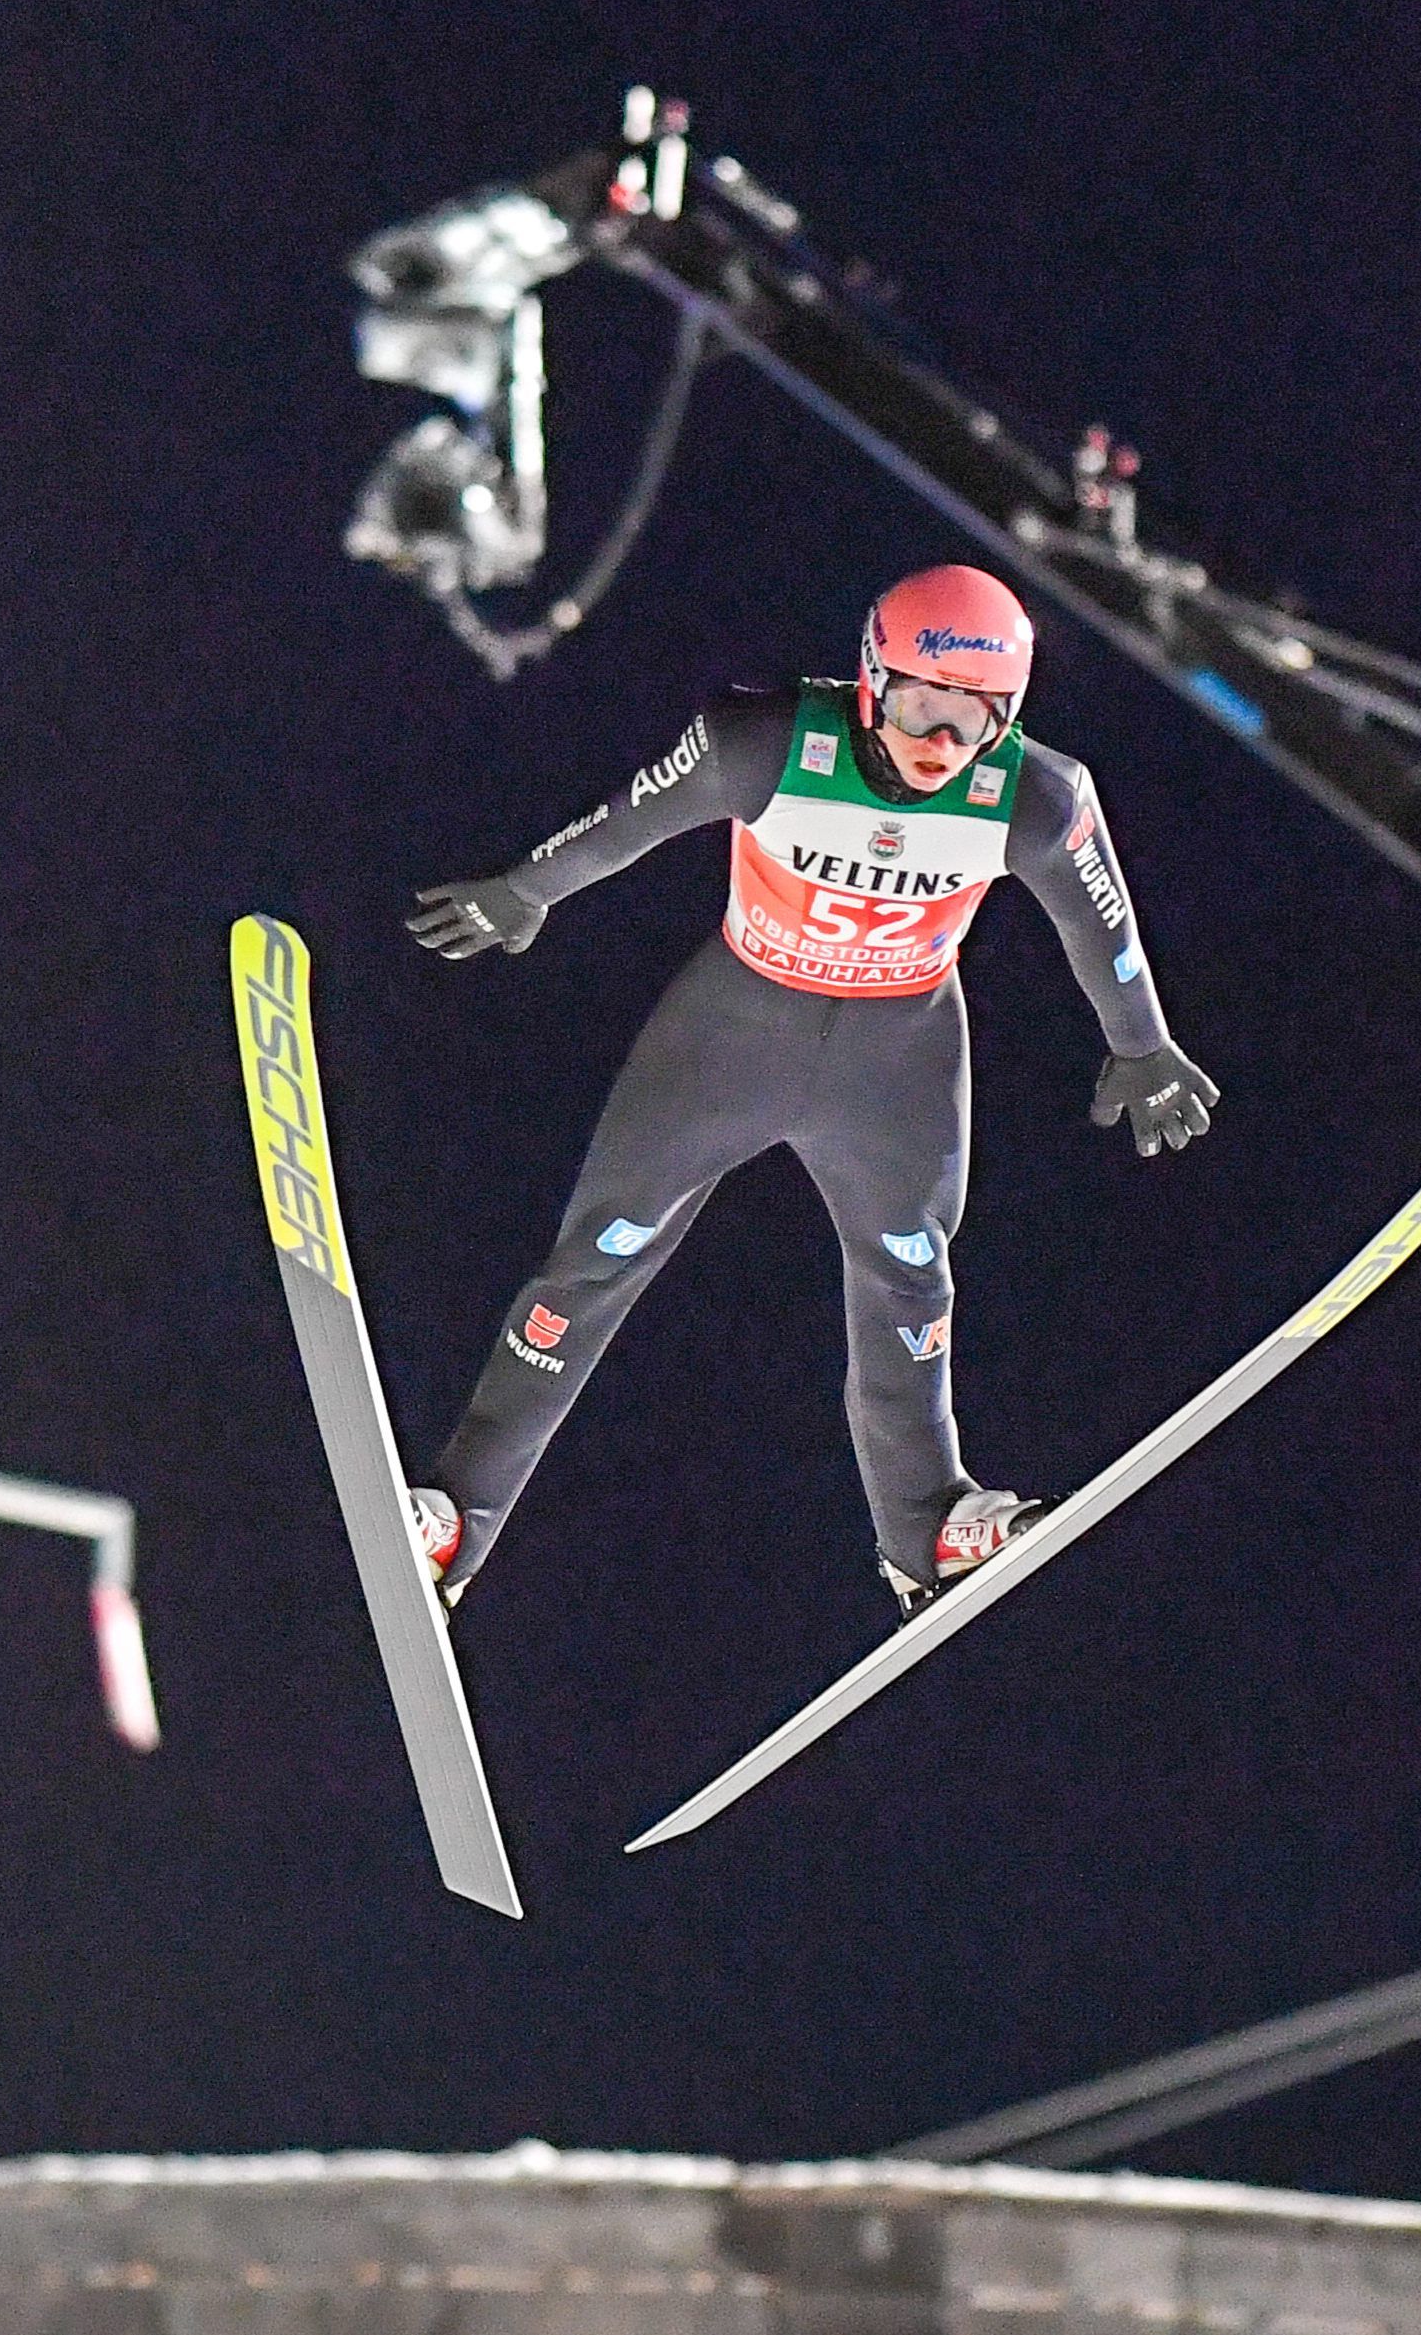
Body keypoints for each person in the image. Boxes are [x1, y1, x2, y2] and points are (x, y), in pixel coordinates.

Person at [404, 564, 1218, 1618]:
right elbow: (633, 814)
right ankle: (458, 1519)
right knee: (597, 1255)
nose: (941, 744)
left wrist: (1140, 1044)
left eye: (975, 720)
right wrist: (525, 891)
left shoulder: (1034, 794)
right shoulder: (770, 744)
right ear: (871, 680)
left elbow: (1094, 919)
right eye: (923, 706)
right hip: (732, 1033)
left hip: (897, 1058)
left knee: (910, 1278)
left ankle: (927, 1528)